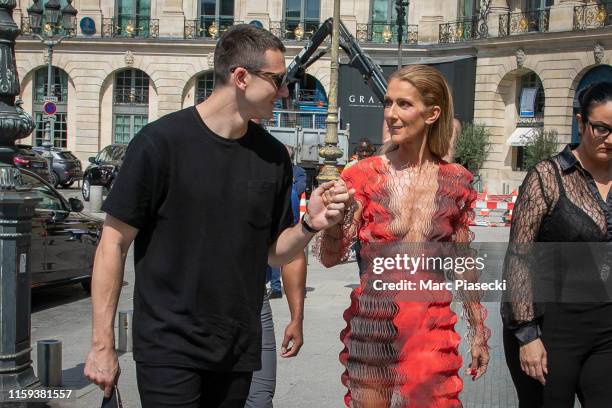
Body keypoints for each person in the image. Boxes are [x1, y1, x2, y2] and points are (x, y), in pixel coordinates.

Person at [84, 24, 352, 407]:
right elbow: (113, 242)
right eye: (277, 80)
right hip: (168, 347)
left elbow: (273, 252)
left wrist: (310, 224)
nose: (285, 91)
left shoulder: (273, 156)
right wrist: (102, 345)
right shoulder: (159, 144)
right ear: (240, 77)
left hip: (237, 348)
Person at [317, 65, 490, 407]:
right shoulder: (362, 175)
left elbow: (462, 261)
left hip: (430, 322)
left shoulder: (456, 180)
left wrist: (478, 330)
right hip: (372, 319)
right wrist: (335, 221)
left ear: (432, 114)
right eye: (388, 103)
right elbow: (329, 257)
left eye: (404, 105)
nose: (391, 115)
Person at [501, 82, 612, 408]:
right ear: (581, 123)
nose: (610, 140)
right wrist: (527, 335)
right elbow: (519, 259)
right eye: (601, 129)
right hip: (551, 329)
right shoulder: (546, 177)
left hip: (606, 332)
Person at [267, 145, 307, 299]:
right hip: (275, 218)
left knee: (295, 253)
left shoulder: (298, 172)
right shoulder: (272, 170)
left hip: (293, 219)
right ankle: (276, 287)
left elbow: (300, 187)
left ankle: (298, 287)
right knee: (275, 250)